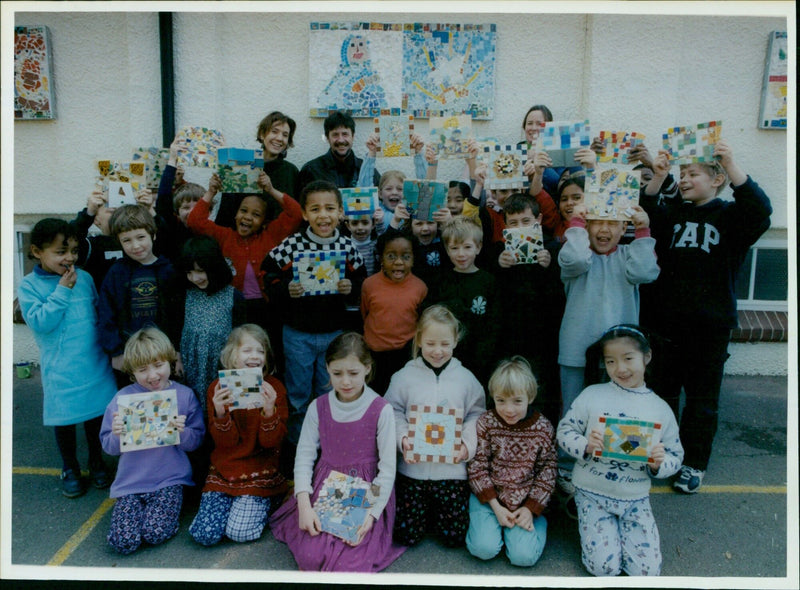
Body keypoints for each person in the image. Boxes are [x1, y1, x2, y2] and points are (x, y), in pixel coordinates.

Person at [640, 141, 772, 493]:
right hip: (667, 326)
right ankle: (664, 455)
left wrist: (731, 163)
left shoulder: (731, 217)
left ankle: (694, 462)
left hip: (709, 329)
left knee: (701, 402)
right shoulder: (673, 214)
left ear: (717, 180)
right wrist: (660, 176)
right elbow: (646, 209)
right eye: (682, 175)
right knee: (662, 395)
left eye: (692, 174)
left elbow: (760, 210)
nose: (684, 180)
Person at [270, 332, 405, 572]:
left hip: (367, 491)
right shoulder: (317, 407)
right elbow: (304, 457)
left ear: (367, 368)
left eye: (353, 373)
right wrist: (304, 505)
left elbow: (387, 468)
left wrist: (371, 514)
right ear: (327, 369)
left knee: (350, 562)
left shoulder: (381, 409)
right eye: (337, 373)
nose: (345, 382)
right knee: (311, 557)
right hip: (326, 486)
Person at [556, 325, 683, 576]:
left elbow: (676, 455)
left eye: (628, 359)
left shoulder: (660, 408)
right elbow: (564, 431)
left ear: (646, 357)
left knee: (646, 572)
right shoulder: (592, 395)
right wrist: (585, 446)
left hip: (635, 498)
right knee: (604, 568)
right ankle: (582, 511)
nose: (620, 369)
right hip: (592, 493)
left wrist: (659, 463)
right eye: (611, 361)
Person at [556, 199, 659, 494]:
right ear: (586, 226)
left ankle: (617, 464)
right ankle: (566, 464)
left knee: (621, 409)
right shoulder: (578, 256)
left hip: (621, 356)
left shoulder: (629, 255)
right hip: (576, 349)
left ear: (623, 227)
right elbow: (574, 260)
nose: (604, 229)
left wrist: (642, 231)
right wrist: (575, 225)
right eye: (597, 222)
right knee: (574, 410)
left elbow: (645, 272)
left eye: (612, 223)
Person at [17, 218, 117, 498]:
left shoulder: (84, 278)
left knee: (96, 416)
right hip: (61, 367)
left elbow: (97, 312)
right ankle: (70, 467)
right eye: (61, 252)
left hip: (93, 361)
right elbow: (40, 322)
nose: (69, 258)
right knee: (65, 419)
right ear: (37, 251)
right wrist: (62, 290)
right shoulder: (29, 286)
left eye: (73, 251)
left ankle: (96, 462)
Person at [262, 179, 367, 445]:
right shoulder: (293, 245)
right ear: (305, 213)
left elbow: (362, 279)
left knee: (329, 392)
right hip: (298, 335)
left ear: (340, 212)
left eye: (330, 208)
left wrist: (349, 287)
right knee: (297, 395)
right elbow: (267, 273)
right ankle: (299, 447)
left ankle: (329, 446)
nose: (324, 215)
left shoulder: (346, 246)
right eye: (316, 209)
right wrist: (287, 288)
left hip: (334, 335)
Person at [384, 305, 485, 548]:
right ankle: (426, 514)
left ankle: (437, 514)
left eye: (444, 344)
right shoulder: (403, 377)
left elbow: (477, 414)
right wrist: (403, 438)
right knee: (406, 536)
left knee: (454, 537)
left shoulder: (466, 379)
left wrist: (466, 446)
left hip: (451, 471)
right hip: (413, 471)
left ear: (455, 341)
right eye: (430, 343)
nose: (437, 351)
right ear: (418, 339)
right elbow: (391, 411)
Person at [99, 327, 205, 555]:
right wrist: (117, 434)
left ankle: (166, 520)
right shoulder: (122, 398)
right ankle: (134, 520)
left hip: (169, 479)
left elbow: (195, 441)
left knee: (155, 533)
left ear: (170, 360)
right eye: (142, 369)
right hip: (130, 482)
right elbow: (108, 447)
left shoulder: (184, 395)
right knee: (123, 542)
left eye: (158, 365)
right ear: (131, 372)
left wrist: (181, 432)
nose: (152, 375)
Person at [187, 171, 302, 366]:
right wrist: (211, 192)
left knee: (267, 351)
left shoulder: (271, 235)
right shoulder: (224, 236)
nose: (248, 217)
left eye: (256, 215)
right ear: (235, 214)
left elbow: (295, 213)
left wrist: (271, 189)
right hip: (235, 308)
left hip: (267, 307)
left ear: (264, 221)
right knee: (238, 352)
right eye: (243, 211)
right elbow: (194, 221)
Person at [189, 324, 289, 546]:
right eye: (247, 350)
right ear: (231, 356)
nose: (255, 356)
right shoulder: (217, 388)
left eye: (261, 351)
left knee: (239, 532)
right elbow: (225, 444)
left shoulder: (274, 388)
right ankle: (247, 504)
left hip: (260, 468)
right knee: (204, 534)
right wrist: (220, 413)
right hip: (225, 469)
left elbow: (271, 442)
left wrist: (269, 410)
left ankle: (271, 498)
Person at [466, 356, 557, 567]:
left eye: (517, 401)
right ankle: (492, 525)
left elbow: (548, 471)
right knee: (483, 549)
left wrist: (530, 508)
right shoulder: (486, 423)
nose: (509, 409)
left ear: (530, 397)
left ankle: (537, 521)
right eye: (501, 400)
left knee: (523, 558)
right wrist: (495, 506)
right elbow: (477, 466)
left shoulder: (543, 428)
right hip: (489, 500)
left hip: (525, 502)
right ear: (493, 398)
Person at [493, 193, 564, 423]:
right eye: (513, 223)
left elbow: (559, 298)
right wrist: (500, 266)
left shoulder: (552, 248)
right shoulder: (500, 252)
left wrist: (548, 268)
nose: (520, 227)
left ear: (539, 219)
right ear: (505, 225)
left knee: (543, 390)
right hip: (511, 336)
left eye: (526, 221)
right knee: (511, 389)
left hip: (544, 337)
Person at [97, 204, 179, 386]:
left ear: (153, 235)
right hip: (129, 357)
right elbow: (105, 314)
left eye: (141, 237)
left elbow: (178, 314)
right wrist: (116, 351)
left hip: (164, 356)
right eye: (127, 240)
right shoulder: (116, 273)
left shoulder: (169, 270)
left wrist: (178, 350)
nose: (135, 246)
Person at [425, 216, 499, 386]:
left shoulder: (488, 281)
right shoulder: (441, 280)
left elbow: (494, 323)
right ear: (447, 249)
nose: (461, 254)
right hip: (445, 357)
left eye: (467, 247)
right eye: (454, 248)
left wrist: (484, 356)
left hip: (479, 360)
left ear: (478, 247)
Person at [174, 236, 246, 410]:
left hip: (220, 365)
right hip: (191, 365)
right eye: (189, 273)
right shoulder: (186, 294)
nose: (195, 278)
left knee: (220, 407)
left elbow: (242, 335)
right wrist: (177, 358)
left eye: (200, 271)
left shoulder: (233, 296)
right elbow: (176, 328)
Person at [361, 232, 428, 394]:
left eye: (405, 257)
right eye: (391, 256)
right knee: (375, 395)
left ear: (413, 259)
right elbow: (365, 314)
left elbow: (420, 322)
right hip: (374, 354)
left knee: (402, 394)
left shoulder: (420, 288)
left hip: (405, 355)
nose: (398, 262)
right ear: (381, 258)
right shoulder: (369, 285)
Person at [215, 111, 301, 230]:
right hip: (243, 241)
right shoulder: (241, 165)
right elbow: (226, 212)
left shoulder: (291, 171)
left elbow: (295, 211)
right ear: (262, 134)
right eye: (274, 131)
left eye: (285, 135)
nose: (279, 138)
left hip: (279, 241)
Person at [356, 131, 427, 232]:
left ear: (406, 193)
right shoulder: (376, 210)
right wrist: (372, 153)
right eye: (389, 189)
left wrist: (418, 152)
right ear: (380, 194)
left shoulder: (411, 211)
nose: (394, 192)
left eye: (400, 189)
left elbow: (426, 188)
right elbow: (364, 189)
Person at [298, 111, 380, 194]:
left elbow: (381, 201)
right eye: (335, 135)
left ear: (353, 136)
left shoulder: (366, 169)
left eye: (345, 134)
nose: (341, 140)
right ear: (327, 138)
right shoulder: (311, 170)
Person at [155, 135, 206, 263]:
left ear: (208, 210)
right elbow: (163, 200)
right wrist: (172, 159)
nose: (192, 212)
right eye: (186, 207)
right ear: (177, 212)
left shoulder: (214, 232)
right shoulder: (172, 229)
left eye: (197, 206)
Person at [70, 189, 122, 291]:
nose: (118, 214)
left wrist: (150, 211)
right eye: (111, 210)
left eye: (122, 208)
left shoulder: (139, 242)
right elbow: (70, 239)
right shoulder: (92, 245)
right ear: (96, 219)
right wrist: (89, 213)